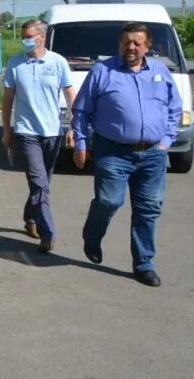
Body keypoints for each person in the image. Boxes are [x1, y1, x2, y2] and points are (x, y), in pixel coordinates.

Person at [71, 22, 181, 287]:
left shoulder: (160, 71)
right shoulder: (102, 71)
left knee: (148, 209)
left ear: (147, 46)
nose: (130, 47)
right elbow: (81, 111)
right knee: (109, 200)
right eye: (126, 42)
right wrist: (81, 144)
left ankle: (143, 264)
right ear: (120, 44)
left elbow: (174, 109)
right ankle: (93, 235)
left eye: (136, 43)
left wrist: (166, 141)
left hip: (153, 153)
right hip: (113, 151)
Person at [1, 19, 77, 253]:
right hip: (26, 132)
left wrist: (74, 127)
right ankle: (48, 232)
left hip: (52, 132)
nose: (24, 39)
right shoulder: (15, 64)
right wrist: (7, 131)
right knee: (39, 183)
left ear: (41, 37)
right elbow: (7, 99)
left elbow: (70, 95)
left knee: (42, 185)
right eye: (23, 35)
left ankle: (30, 217)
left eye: (28, 35)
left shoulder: (57, 62)